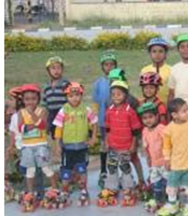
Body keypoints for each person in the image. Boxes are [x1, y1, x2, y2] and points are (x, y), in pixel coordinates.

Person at [53, 82, 98, 207]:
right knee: (66, 170)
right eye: (71, 96)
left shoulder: (86, 109)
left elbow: (94, 122)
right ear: (67, 97)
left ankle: (84, 191)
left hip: (82, 146)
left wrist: (93, 137)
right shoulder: (64, 110)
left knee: (82, 169)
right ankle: (65, 192)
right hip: (67, 147)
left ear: (81, 96)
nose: (74, 98)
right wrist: (57, 144)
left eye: (77, 95)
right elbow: (58, 128)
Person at [99, 80, 142, 207]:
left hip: (125, 146)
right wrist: (106, 141)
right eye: (113, 94)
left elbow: (135, 130)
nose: (116, 97)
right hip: (113, 145)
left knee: (125, 167)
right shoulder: (109, 111)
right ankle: (112, 188)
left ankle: (128, 188)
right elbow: (107, 128)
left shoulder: (130, 111)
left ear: (126, 95)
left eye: (119, 94)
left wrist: (134, 144)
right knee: (111, 167)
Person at [18, 83, 59, 212]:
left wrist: (32, 117)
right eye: (27, 99)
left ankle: (54, 190)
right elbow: (21, 128)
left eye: (33, 99)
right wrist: (31, 124)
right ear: (23, 100)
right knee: (30, 170)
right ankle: (31, 193)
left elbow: (42, 126)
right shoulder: (21, 112)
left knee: (46, 168)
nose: (30, 102)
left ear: (38, 99)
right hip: (27, 146)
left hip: (40, 144)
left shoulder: (43, 111)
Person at [92, 51, 117, 188]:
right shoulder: (98, 83)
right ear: (102, 67)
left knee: (115, 146)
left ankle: (115, 171)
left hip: (117, 120)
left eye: (112, 64)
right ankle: (103, 170)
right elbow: (95, 103)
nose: (109, 67)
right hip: (103, 120)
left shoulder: (119, 81)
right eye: (106, 65)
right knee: (104, 145)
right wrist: (95, 120)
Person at [42, 56, 69, 179]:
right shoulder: (46, 86)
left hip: (63, 114)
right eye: (53, 68)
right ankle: (62, 166)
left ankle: (69, 166)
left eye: (58, 68)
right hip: (52, 115)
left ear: (62, 70)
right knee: (56, 141)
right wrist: (45, 122)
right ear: (48, 71)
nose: (56, 71)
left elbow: (71, 100)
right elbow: (45, 105)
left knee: (66, 141)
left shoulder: (65, 84)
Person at [137, 102, 168, 213]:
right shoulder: (145, 131)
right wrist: (148, 159)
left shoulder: (162, 129)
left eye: (150, 117)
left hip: (164, 162)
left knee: (168, 182)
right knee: (156, 183)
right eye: (144, 118)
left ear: (157, 116)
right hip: (154, 163)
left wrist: (169, 160)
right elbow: (146, 146)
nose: (148, 120)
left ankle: (171, 201)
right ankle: (158, 200)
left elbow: (168, 144)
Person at [141, 37, 171, 104]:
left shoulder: (171, 70)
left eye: (161, 51)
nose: (157, 54)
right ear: (150, 53)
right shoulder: (145, 70)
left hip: (166, 106)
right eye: (154, 51)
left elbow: (172, 92)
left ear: (166, 53)